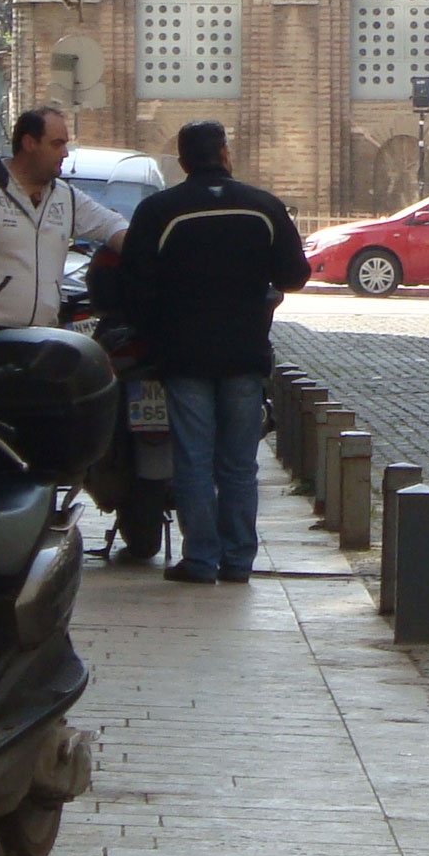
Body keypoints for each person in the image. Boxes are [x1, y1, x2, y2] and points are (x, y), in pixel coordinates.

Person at [119, 120, 308, 585]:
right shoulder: (263, 207)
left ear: (182, 161)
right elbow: (294, 275)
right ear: (225, 153)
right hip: (244, 351)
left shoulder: (159, 211)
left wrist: (153, 329)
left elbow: (134, 288)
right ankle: (239, 560)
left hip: (184, 355)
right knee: (239, 462)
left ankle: (201, 559)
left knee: (193, 458)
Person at [0, 105, 126, 341]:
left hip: (42, 336)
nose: (65, 153)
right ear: (29, 144)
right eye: (57, 144)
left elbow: (111, 224)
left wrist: (137, 247)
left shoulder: (65, 196)